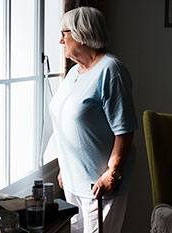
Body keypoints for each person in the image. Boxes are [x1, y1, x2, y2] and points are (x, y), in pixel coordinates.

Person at [49, 6, 138, 233]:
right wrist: (64, 168)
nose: (61, 41)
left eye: (64, 33)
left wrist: (112, 173)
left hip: (99, 186)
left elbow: (124, 131)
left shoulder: (111, 70)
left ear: (82, 34)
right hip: (72, 182)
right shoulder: (73, 73)